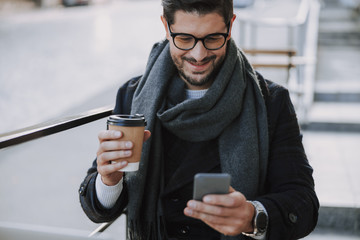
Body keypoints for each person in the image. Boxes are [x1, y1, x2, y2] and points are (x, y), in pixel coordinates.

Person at [79, 0, 319, 239]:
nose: (198, 54)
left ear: (230, 26)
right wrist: (109, 179)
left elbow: (303, 202)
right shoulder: (133, 95)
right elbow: (97, 209)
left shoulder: (271, 101)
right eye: (184, 38)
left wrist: (251, 216)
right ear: (165, 26)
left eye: (213, 38)